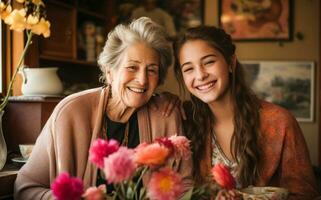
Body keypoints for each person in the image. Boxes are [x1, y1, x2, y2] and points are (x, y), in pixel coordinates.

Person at [14, 17, 190, 199]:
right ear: (110, 72)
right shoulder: (71, 112)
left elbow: (185, 187)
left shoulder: (166, 114)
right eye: (132, 67)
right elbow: (26, 188)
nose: (143, 80)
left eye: (151, 70)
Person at [173, 26, 319, 200]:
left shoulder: (280, 121)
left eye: (209, 62)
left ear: (230, 63)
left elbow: (304, 194)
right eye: (189, 69)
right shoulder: (184, 120)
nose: (200, 75)